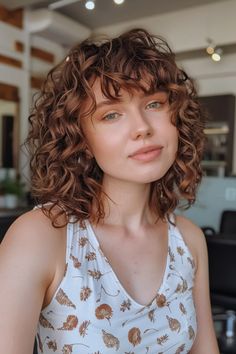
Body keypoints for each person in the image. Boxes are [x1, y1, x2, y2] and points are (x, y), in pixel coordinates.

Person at [0, 28, 219, 354]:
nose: (142, 127)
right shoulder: (42, 235)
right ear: (81, 140)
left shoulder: (188, 241)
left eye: (155, 103)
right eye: (112, 114)